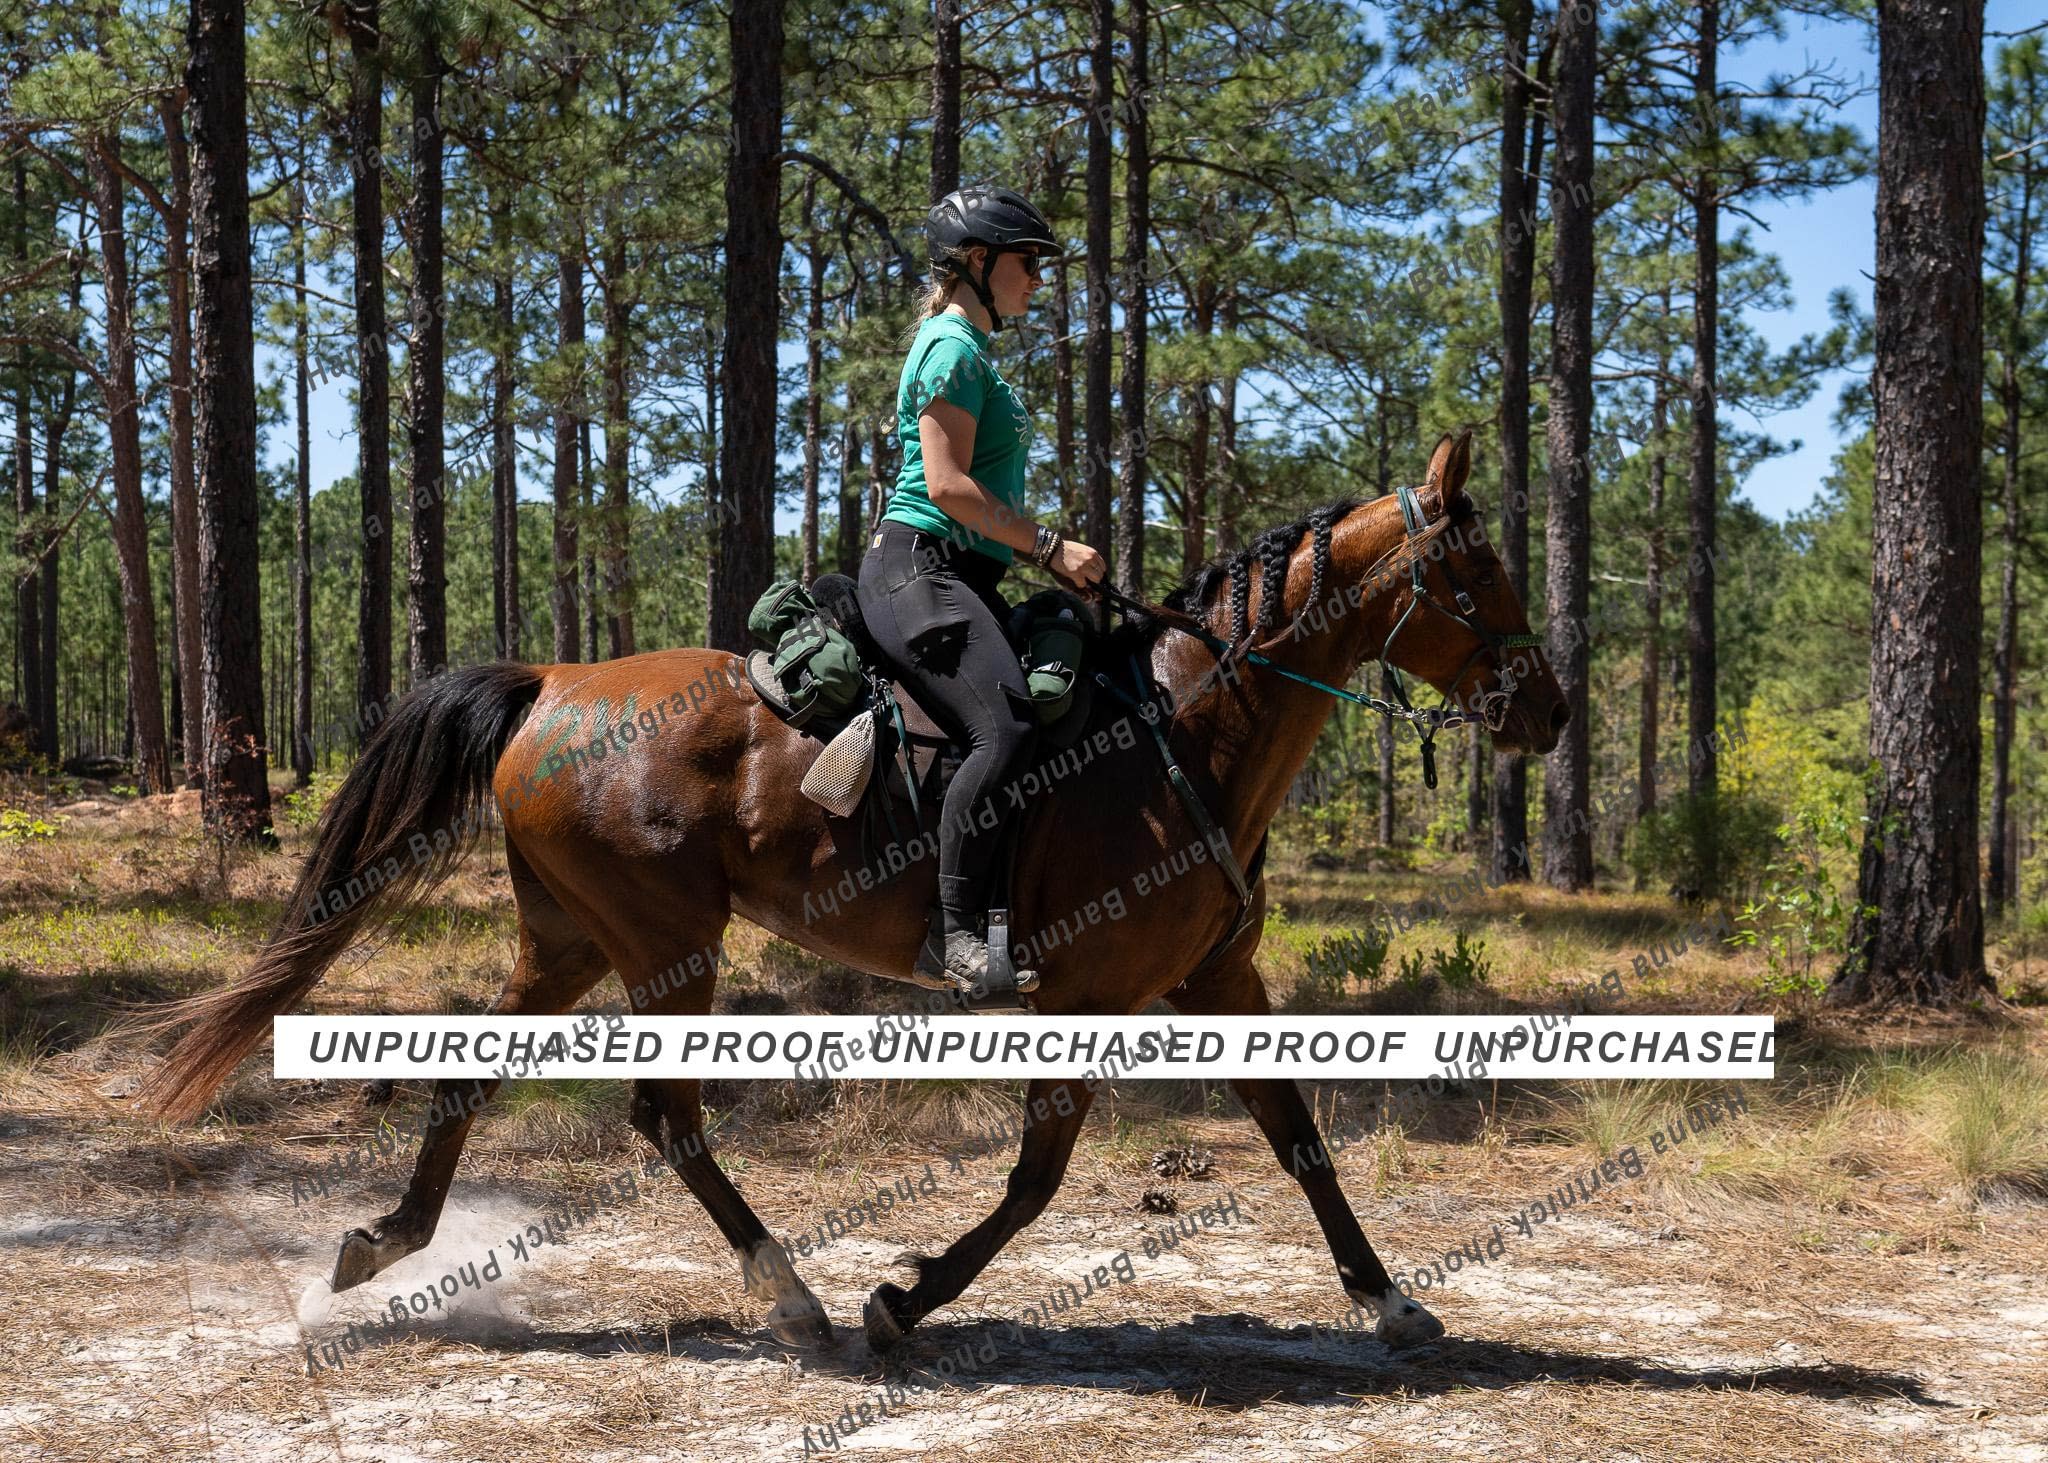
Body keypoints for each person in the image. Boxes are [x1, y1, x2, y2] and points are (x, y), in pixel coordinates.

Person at [856, 184, 1107, 996]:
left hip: (956, 572)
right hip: (917, 569)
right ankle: (953, 934)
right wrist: (1049, 545)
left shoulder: (970, 348)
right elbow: (947, 486)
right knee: (1003, 728)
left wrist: (1042, 557)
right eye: (1027, 262)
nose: (1038, 278)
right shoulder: (953, 349)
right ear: (977, 260)